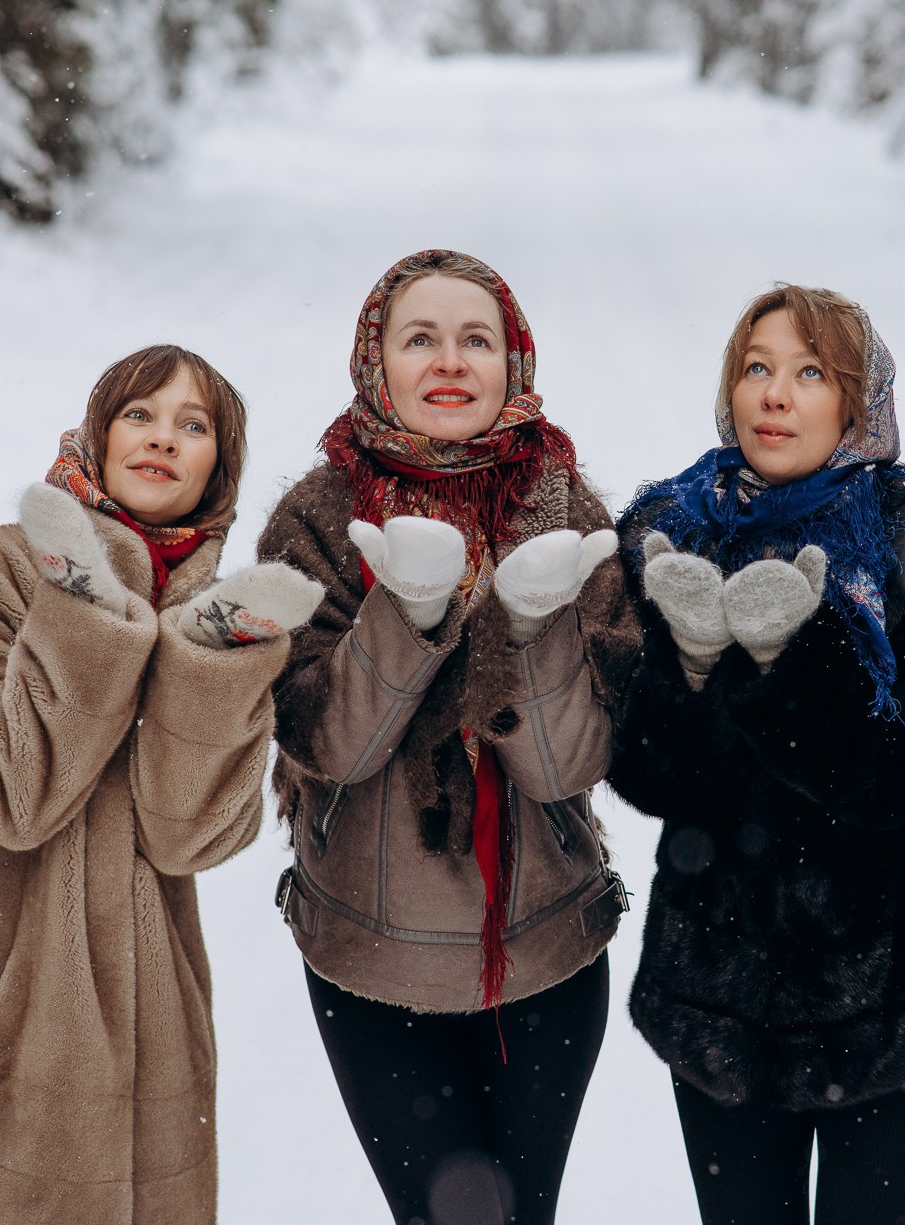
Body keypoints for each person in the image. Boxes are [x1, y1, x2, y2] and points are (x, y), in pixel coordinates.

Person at [0, 345, 322, 1223]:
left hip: (145, 1034)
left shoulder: (227, 609)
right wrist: (81, 608)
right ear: (97, 431)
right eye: (139, 414)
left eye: (195, 427)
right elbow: (8, 797)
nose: (162, 439)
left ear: (218, 469)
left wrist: (210, 658)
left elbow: (192, 834)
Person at [257, 249, 642, 1225]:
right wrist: (410, 611)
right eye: (418, 336)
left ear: (511, 362)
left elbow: (568, 764)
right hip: (373, 962)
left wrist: (532, 624)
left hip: (546, 955)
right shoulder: (316, 521)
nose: (449, 360)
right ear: (373, 360)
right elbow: (328, 747)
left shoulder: (565, 510)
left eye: (476, 338)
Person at [610, 284, 905, 1225]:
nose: (775, 394)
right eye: (757, 368)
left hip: (895, 989)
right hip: (719, 1000)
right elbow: (651, 773)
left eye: (811, 372)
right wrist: (695, 665)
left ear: (858, 406)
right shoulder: (672, 534)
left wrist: (787, 662)